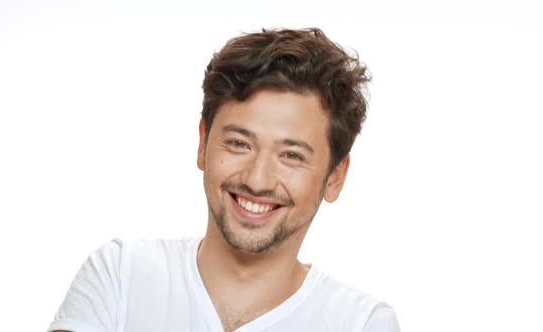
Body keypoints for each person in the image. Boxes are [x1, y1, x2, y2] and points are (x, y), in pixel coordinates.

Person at [49, 27, 399, 332]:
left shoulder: (360, 323)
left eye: (291, 155)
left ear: (335, 177)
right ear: (203, 144)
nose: (258, 180)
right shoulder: (120, 275)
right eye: (238, 143)